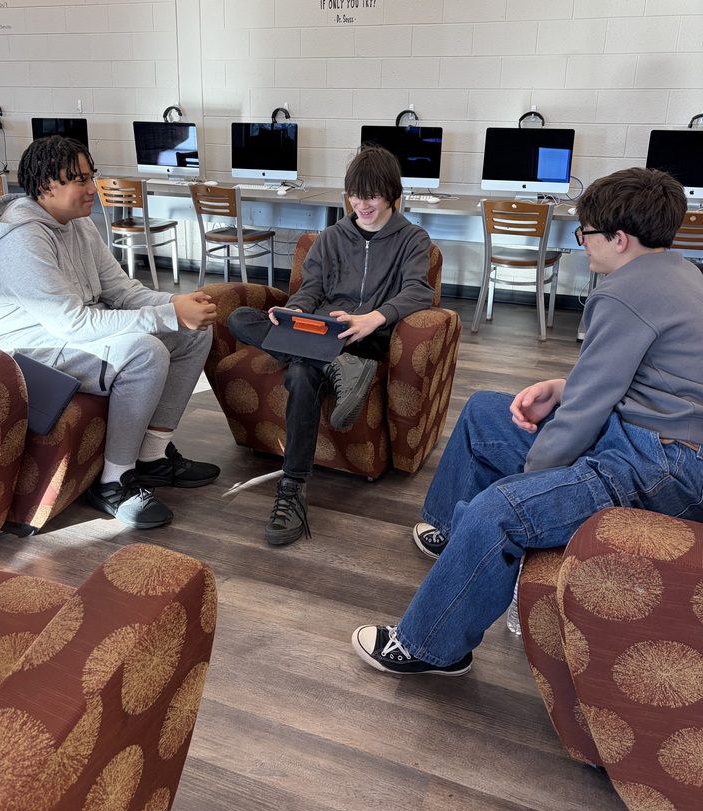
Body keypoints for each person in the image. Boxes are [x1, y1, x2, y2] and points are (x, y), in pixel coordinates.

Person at [352, 166, 703, 675]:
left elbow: (584, 415)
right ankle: (455, 536)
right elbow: (633, 378)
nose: (584, 244)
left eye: (587, 234)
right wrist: (561, 389)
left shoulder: (624, 292)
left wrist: (532, 482)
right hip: (651, 438)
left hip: (660, 463)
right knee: (485, 412)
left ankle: (428, 647)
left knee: (498, 511)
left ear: (620, 239)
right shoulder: (680, 270)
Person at [0, 135, 220, 530]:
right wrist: (168, 314)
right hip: (20, 354)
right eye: (79, 180)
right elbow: (73, 323)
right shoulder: (22, 239)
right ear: (45, 187)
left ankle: (152, 458)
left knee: (193, 334)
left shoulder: (78, 224)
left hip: (62, 337)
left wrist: (176, 303)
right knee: (146, 351)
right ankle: (114, 483)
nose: (91, 188)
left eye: (91, 176)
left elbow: (121, 291)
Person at [227, 145, 436, 546]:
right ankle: (336, 370)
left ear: (392, 192)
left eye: (371, 195)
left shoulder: (413, 239)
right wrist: (291, 314)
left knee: (304, 370)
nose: (361, 204)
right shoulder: (330, 238)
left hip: (368, 338)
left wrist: (371, 318)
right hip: (321, 333)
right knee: (240, 319)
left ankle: (291, 487)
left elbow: (418, 293)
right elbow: (311, 290)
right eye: (355, 195)